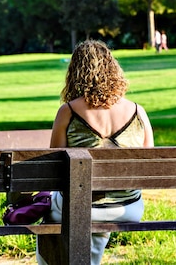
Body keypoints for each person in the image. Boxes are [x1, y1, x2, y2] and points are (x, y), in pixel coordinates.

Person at [36, 40, 154, 265]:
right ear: (113, 69)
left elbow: (54, 167)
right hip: (128, 207)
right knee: (90, 218)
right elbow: (149, 163)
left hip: (81, 207)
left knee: (52, 212)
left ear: (76, 72)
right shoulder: (138, 112)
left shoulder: (68, 111)